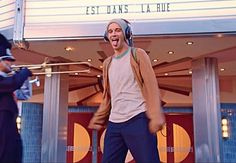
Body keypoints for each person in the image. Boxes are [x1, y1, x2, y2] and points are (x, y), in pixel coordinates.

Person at [88, 19, 165, 163]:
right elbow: (107, 96)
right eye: (110, 31)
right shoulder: (107, 63)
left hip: (138, 119)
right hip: (114, 123)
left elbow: (151, 86)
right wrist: (98, 117)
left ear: (126, 33)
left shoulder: (137, 54)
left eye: (117, 30)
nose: (113, 34)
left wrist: (155, 116)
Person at [0, 33, 32, 163]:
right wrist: (23, 73)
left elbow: (24, 95)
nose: (10, 63)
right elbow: (11, 84)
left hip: (10, 138)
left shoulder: (7, 81)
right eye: (7, 59)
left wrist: (23, 77)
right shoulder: (6, 82)